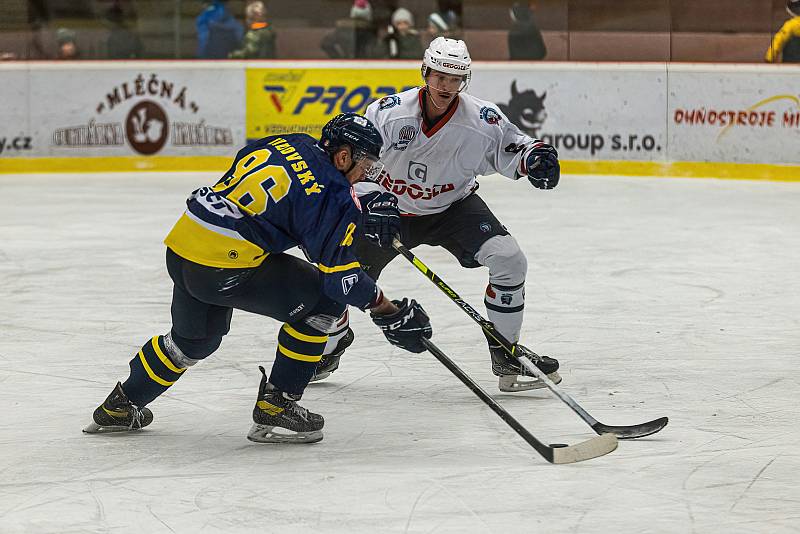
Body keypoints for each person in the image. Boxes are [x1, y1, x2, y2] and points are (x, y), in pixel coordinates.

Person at [83, 113, 433, 443]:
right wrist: (386, 310)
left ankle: (121, 404)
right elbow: (340, 278)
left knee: (194, 341)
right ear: (342, 157)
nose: (366, 173)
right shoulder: (332, 193)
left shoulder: (287, 141)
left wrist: (351, 214)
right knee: (323, 304)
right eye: (366, 165)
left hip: (183, 246)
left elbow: (279, 191)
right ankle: (276, 404)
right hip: (224, 266)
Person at [312, 37, 562, 393]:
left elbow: (515, 148)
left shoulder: (481, 119)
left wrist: (535, 159)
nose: (446, 86)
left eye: (455, 78)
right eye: (439, 76)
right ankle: (332, 344)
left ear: (464, 81)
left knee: (509, 260)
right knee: (340, 276)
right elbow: (355, 164)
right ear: (425, 73)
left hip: (453, 209)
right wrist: (370, 201)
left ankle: (506, 354)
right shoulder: (389, 113)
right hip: (390, 209)